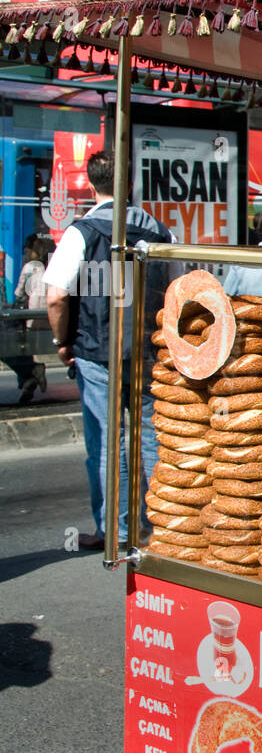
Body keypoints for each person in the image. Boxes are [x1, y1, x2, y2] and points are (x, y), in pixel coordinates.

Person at [44, 151, 172, 548]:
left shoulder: (82, 231)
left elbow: (56, 298)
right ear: (130, 182)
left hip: (97, 352)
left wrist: (62, 341)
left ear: (91, 182)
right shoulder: (159, 231)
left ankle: (113, 531)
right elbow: (177, 289)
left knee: (107, 442)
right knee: (153, 438)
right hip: (149, 352)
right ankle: (161, 528)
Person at [7, 232, 55, 403]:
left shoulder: (29, 267)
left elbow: (19, 293)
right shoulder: (52, 265)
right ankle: (30, 377)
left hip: (32, 316)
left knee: (19, 344)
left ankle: (30, 375)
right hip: (50, 315)